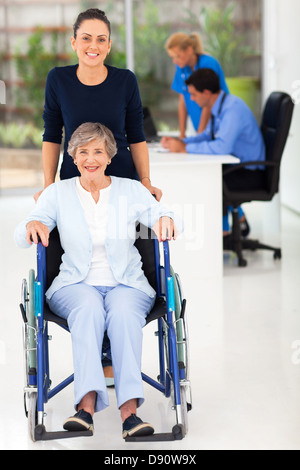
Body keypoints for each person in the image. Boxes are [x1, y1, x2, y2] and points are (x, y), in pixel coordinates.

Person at [15, 122, 181, 438]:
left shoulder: (130, 189)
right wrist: (33, 223)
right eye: (83, 152)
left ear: (108, 157)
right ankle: (85, 407)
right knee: (88, 309)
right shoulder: (58, 193)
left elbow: (169, 214)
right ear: (73, 157)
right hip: (74, 286)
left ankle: (130, 412)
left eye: (98, 151)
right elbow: (20, 232)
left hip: (127, 284)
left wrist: (164, 219)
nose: (91, 158)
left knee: (122, 315)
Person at [37, 8, 162, 383]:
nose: (94, 46)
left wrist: (145, 181)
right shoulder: (58, 79)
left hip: (122, 183)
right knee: (84, 261)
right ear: (74, 42)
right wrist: (47, 186)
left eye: (101, 39)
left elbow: (136, 134)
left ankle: (114, 348)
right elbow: (51, 134)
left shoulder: (125, 81)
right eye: (86, 38)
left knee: (121, 261)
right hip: (75, 182)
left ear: (109, 45)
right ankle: (98, 350)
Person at [161, 68, 265, 235]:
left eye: (194, 95)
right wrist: (181, 142)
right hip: (237, 167)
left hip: (250, 173)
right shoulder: (221, 106)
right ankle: (226, 230)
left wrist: (185, 149)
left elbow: (221, 147)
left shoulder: (232, 110)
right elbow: (208, 135)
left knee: (207, 179)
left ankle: (219, 235)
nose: (192, 100)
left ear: (207, 93)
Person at [165, 32, 229, 137]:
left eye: (177, 56)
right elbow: (183, 100)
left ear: (189, 50)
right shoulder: (181, 68)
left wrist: (199, 137)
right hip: (201, 129)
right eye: (172, 57)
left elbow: (208, 100)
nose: (174, 61)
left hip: (218, 125)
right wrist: (182, 135)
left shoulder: (208, 64)